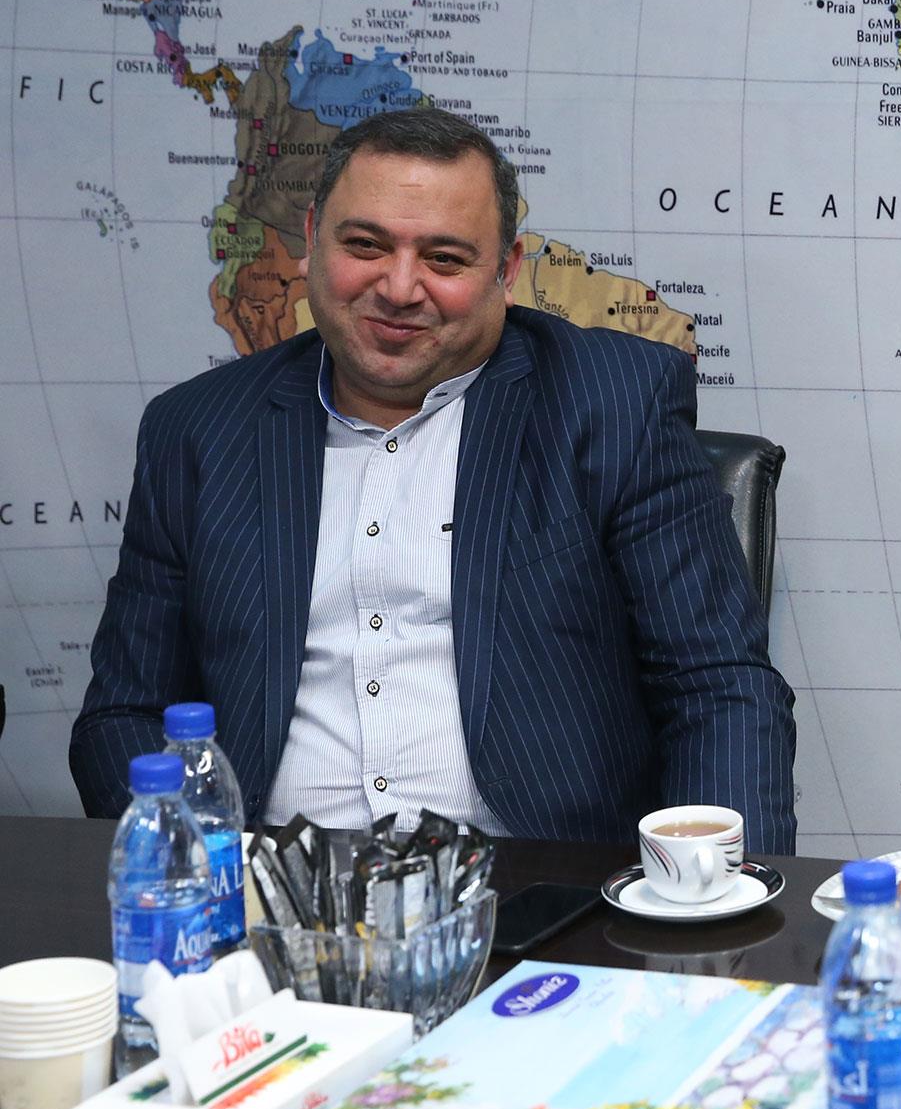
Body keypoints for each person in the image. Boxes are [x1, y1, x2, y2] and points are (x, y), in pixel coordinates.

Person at [71, 107, 797, 850]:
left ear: (505, 273)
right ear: (313, 238)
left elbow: (717, 685)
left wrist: (722, 901)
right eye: (365, 245)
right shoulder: (198, 430)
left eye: (445, 259)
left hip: (536, 883)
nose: (398, 287)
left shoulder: (611, 404)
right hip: (269, 880)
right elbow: (125, 712)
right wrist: (195, 869)